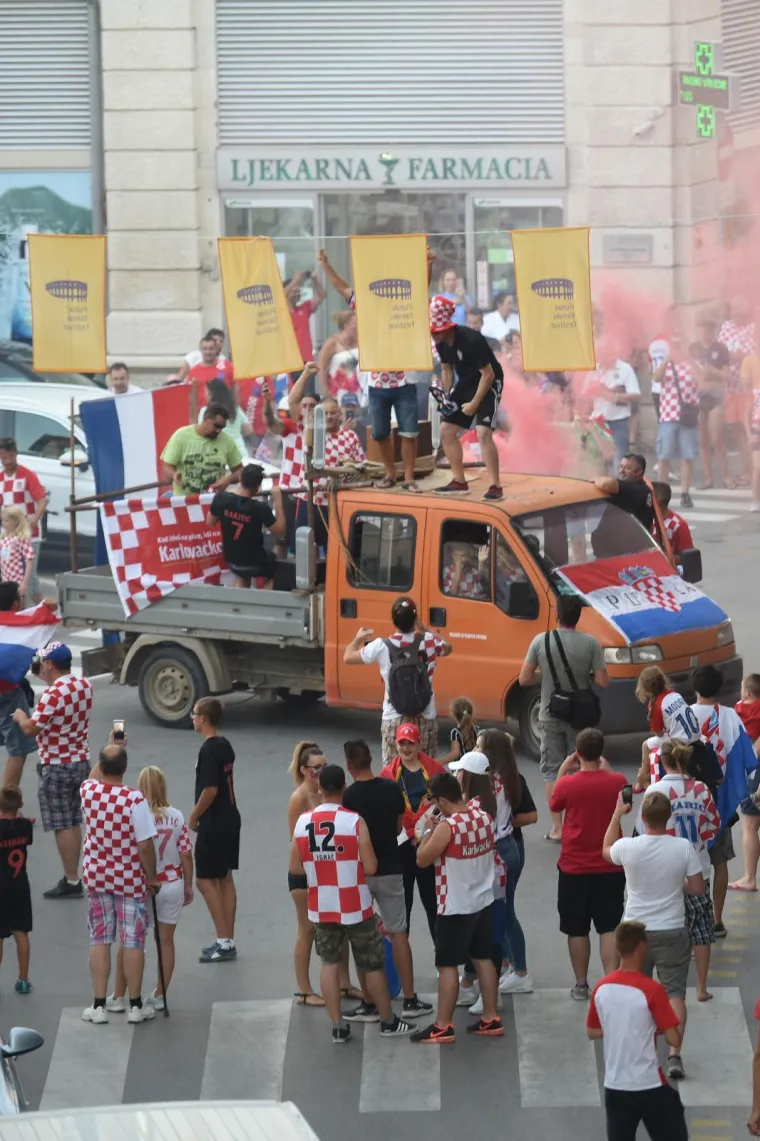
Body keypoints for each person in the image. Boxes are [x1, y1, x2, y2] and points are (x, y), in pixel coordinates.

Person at [290, 763, 413, 1044]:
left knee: (330, 963)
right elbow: (370, 867)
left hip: (322, 905)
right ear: (344, 788)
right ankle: (388, 1021)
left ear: (320, 788)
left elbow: (296, 868)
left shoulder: (303, 822)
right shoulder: (353, 821)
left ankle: (338, 1026)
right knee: (371, 964)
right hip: (354, 904)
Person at [604, 789, 705, 1080]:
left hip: (635, 929)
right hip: (672, 928)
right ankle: (674, 1054)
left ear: (643, 817)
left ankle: (640, 1052)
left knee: (636, 991)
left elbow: (605, 849)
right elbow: (697, 888)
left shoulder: (629, 847)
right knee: (674, 992)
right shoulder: (683, 847)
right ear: (668, 817)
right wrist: (677, 886)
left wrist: (616, 814)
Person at [343, 739, 432, 1021]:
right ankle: (409, 998)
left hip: (360, 873)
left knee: (362, 936)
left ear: (349, 765)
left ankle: (369, 1002)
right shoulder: (393, 788)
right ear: (370, 760)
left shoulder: (349, 797)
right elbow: (397, 827)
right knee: (399, 933)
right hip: (392, 868)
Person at [411, 770, 503, 1043]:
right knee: (483, 958)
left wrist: (427, 831)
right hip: (483, 900)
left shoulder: (447, 827)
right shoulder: (484, 817)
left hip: (455, 905)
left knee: (448, 965)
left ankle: (443, 1025)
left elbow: (422, 859)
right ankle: (490, 1017)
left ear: (441, 799)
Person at [318, 249, 420, 492]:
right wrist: (326, 265)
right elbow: (342, 288)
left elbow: (420, 290)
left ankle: (408, 478)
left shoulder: (402, 307)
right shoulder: (364, 305)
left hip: (404, 381)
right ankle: (390, 474)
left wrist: (425, 265)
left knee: (409, 433)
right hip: (376, 384)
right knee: (380, 434)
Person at [586, 920, 688, 1141]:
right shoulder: (652, 990)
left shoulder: (601, 988)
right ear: (641, 947)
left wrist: (621, 1025)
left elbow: (592, 1031)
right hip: (649, 1084)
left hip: (615, 1086)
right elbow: (673, 1037)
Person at [519, 594, 608, 842]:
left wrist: (546, 677)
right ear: (578, 617)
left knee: (551, 770)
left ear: (557, 615)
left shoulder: (541, 641)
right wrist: (585, 677)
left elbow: (524, 679)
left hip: (550, 713)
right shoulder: (590, 643)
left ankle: (559, 827)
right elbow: (603, 681)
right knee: (584, 767)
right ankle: (586, 822)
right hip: (580, 718)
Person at [80, 743, 158, 1025]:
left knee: (99, 938)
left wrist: (110, 746)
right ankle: (135, 1005)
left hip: (97, 876)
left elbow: (91, 776)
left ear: (102, 766)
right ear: (125, 768)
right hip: (128, 879)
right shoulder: (134, 800)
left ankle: (99, 1005)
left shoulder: (88, 791)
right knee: (133, 939)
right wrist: (152, 876)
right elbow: (145, 845)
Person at [637, 739, 720, 1003]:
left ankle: (660, 987)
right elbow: (712, 828)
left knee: (665, 929)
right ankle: (701, 987)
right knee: (701, 931)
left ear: (662, 761)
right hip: (698, 870)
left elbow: (643, 830)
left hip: (666, 870)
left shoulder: (656, 791)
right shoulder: (700, 789)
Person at [549, 728, 628, 1000]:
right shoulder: (617, 781)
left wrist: (563, 768)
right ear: (601, 752)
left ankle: (581, 984)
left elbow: (554, 803)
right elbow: (626, 801)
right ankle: (611, 981)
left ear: (578, 753)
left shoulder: (568, 784)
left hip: (574, 867)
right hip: (610, 864)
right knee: (609, 926)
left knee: (577, 928)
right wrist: (606, 769)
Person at [108, 765, 194, 1013]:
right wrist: (188, 886)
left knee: (130, 940)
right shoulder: (176, 816)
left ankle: (119, 995)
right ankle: (160, 994)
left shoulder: (137, 814)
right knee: (166, 941)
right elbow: (186, 854)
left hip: (143, 885)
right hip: (172, 883)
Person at [13, 641, 92, 899]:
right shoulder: (83, 685)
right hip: (80, 761)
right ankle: (74, 875)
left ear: (49, 663)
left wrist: (20, 716)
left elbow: (30, 729)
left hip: (56, 765)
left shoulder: (52, 695)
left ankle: (71, 879)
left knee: (62, 823)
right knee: (73, 820)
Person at [286, 742, 360, 1006]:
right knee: (307, 930)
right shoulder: (300, 798)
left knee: (339, 927)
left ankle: (344, 983)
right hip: (305, 876)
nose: (321, 771)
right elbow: (295, 842)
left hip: (329, 872)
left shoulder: (329, 792)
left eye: (325, 766)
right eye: (317, 767)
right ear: (305, 770)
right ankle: (305, 990)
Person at [691, 664, 758, 939]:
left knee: (689, 860)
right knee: (719, 861)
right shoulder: (730, 716)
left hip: (689, 800)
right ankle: (717, 921)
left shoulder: (685, 716)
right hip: (719, 804)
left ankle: (693, 921)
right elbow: (747, 759)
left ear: (695, 688)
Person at [344, 595, 452, 763]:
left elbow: (348, 657)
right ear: (414, 619)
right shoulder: (429, 641)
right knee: (426, 773)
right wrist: (424, 628)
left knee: (393, 775)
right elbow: (448, 647)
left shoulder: (381, 646)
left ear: (393, 620)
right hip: (425, 716)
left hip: (394, 717)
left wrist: (358, 638)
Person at [429, 294, 504, 500]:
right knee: (446, 429)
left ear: (447, 327)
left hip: (489, 381)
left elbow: (488, 375)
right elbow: (446, 369)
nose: (433, 335)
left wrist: (473, 404)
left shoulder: (471, 339)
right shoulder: (441, 343)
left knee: (482, 432)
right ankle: (459, 481)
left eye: (436, 331)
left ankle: (495, 485)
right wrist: (446, 396)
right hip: (467, 383)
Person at [477, 728, 533, 995]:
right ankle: (512, 966)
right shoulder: (508, 777)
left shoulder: (490, 782)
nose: (475, 750)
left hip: (499, 849)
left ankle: (520, 971)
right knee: (503, 911)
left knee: (504, 913)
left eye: (479, 746)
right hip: (508, 846)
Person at [450, 752, 507, 1013]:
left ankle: (489, 994)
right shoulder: (489, 796)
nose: (456, 775)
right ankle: (475, 985)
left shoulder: (477, 807)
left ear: (467, 776)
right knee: (484, 937)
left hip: (483, 878)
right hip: (489, 876)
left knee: (488, 940)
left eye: (459, 771)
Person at [378, 722, 445, 939]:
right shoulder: (388, 774)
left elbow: (448, 801)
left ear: (419, 744)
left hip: (429, 843)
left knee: (433, 905)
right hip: (401, 847)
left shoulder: (435, 770)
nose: (406, 748)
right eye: (402, 743)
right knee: (402, 907)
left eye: (410, 743)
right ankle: (400, 961)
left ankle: (441, 961)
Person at [188, 697, 241, 963]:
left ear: (204, 718)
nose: (192, 717)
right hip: (231, 817)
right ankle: (227, 940)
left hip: (214, 821)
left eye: (194, 713)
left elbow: (210, 789)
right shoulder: (224, 745)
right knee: (225, 878)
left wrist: (194, 816)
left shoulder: (208, 749)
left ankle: (223, 941)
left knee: (204, 880)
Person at [207, 464, 286, 589]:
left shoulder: (221, 499)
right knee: (281, 571)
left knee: (242, 573)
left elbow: (210, 522)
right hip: (255, 562)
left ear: (240, 479)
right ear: (257, 487)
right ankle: (259, 601)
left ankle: (241, 602)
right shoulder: (260, 509)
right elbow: (281, 531)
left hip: (231, 560)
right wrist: (278, 502)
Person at [0, 582, 43, 787]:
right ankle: (7, 810)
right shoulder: (19, 627)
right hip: (7, 694)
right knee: (18, 749)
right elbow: (35, 659)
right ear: (16, 603)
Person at [634, 666, 702, 790]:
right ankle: (645, 776)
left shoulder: (656, 705)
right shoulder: (675, 695)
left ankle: (642, 779)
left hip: (680, 739)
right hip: (695, 734)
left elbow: (659, 734)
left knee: (645, 745)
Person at [651, 336, 700, 509]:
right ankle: (661, 493)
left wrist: (690, 358)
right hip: (668, 416)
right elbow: (656, 377)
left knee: (687, 456)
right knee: (664, 456)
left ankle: (685, 493)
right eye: (675, 346)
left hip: (687, 417)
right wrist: (667, 359)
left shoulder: (692, 365)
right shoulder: (666, 366)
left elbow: (700, 380)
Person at [0, 436, 47, 604]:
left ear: (16, 454)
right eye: (4, 457)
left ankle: (42, 610)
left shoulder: (27, 476)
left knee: (30, 576)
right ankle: (16, 612)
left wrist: (35, 517)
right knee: (8, 574)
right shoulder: (0, 478)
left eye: (11, 456)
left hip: (28, 534)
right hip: (8, 536)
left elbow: (41, 500)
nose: (8, 461)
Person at [161, 404, 243, 496]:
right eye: (216, 426)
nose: (218, 431)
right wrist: (174, 475)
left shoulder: (227, 441)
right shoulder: (181, 436)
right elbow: (167, 467)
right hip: (184, 501)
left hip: (213, 501)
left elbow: (240, 471)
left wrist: (228, 480)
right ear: (205, 419)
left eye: (222, 428)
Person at [689, 312, 730, 489]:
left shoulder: (721, 349)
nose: (705, 331)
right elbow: (689, 372)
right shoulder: (693, 348)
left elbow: (726, 375)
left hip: (716, 397)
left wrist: (711, 371)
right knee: (703, 441)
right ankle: (708, 478)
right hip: (698, 397)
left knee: (716, 438)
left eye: (708, 328)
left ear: (713, 330)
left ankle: (726, 476)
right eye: (702, 328)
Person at [0, 785, 33, 994]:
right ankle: (23, 979)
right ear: (20, 805)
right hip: (20, 885)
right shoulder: (25, 827)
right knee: (21, 933)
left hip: (1, 887)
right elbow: (21, 824)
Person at [719, 295, 754, 486]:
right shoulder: (726, 327)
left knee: (750, 431)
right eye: (733, 309)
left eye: (740, 309)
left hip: (748, 390)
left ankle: (752, 471)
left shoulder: (753, 328)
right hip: (729, 388)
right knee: (738, 431)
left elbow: (751, 357)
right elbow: (719, 352)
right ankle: (745, 470)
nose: (736, 313)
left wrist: (736, 356)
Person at [729, 674, 760, 892]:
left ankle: (749, 878)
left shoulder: (738, 711)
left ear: (747, 693)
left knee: (749, 825)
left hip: (752, 772)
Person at [584, 356, 641, 470]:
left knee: (620, 464)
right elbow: (584, 394)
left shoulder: (624, 368)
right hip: (598, 423)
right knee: (597, 463)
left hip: (619, 422)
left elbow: (636, 395)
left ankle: (620, 487)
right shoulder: (593, 369)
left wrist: (616, 396)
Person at [594, 452, 655, 533]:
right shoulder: (641, 488)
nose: (621, 471)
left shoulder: (636, 489)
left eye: (627, 468)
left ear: (639, 471)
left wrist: (594, 480)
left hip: (631, 542)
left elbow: (606, 484)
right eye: (621, 466)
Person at [199, 378, 253, 458]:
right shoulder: (235, 409)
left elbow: (201, 433)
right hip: (239, 453)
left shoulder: (205, 411)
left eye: (206, 392)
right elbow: (248, 430)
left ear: (211, 394)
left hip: (216, 455)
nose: (205, 395)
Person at [317, 310, 361, 404]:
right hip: (338, 389)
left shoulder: (359, 342)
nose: (357, 326)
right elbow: (321, 367)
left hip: (358, 389)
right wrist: (325, 391)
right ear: (346, 325)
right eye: (355, 324)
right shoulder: (332, 343)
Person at [284, 271, 325, 365]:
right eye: (294, 291)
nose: (297, 294)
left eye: (298, 291)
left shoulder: (304, 308)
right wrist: (295, 281)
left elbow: (321, 296)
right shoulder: (282, 311)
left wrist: (315, 281)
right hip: (290, 361)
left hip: (307, 360)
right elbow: (280, 296)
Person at [650, 482, 693, 561]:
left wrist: (664, 558)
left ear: (657, 500)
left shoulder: (678, 525)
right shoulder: (645, 518)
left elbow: (688, 557)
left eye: (649, 497)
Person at [0, 506, 35, 599]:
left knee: (17, 605)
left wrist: (24, 582)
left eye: (6, 521)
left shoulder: (21, 539)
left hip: (17, 580)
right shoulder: (4, 538)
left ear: (15, 521)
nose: (3, 523)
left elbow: (29, 560)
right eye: (2, 520)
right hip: (5, 579)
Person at [186, 334, 235, 400]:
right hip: (202, 410)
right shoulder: (193, 372)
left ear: (216, 350)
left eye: (211, 349)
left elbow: (235, 390)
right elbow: (191, 396)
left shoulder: (227, 366)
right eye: (205, 349)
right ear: (201, 350)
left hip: (223, 409)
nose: (208, 352)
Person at [741, 343, 760, 511]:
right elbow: (746, 415)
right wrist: (749, 434)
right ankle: (755, 499)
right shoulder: (754, 393)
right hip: (757, 431)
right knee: (758, 467)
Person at [441, 696, 478, 764]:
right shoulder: (476, 729)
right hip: (474, 767)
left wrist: (438, 762)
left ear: (453, 715)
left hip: (462, 769)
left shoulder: (455, 732)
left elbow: (455, 754)